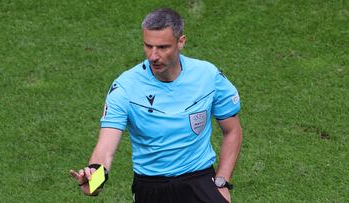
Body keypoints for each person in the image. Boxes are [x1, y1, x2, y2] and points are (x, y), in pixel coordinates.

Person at [70, 8, 242, 203]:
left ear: (181, 42)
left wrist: (222, 182)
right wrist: (94, 180)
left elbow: (232, 131)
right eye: (148, 46)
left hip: (199, 179)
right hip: (151, 188)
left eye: (162, 47)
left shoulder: (208, 77)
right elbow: (106, 149)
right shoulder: (125, 88)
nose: (153, 56)